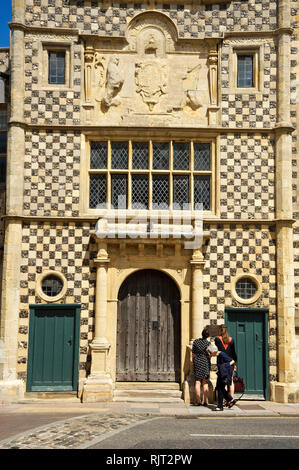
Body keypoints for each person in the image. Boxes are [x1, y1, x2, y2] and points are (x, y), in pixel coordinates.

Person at [207, 343, 237, 411]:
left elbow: (232, 361)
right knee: (220, 389)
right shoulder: (218, 355)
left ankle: (221, 406)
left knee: (220, 389)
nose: (210, 354)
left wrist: (224, 366)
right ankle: (230, 400)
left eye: (210, 353)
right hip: (221, 374)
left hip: (224, 374)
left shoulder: (222, 355)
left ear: (213, 352)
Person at [215, 324, 237, 400]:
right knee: (230, 381)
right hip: (230, 362)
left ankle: (225, 399)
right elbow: (234, 353)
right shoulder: (231, 340)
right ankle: (231, 399)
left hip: (221, 363)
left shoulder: (217, 339)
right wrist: (234, 364)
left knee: (223, 381)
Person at [192, 327, 211, 406]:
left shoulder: (195, 342)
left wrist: (194, 361)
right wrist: (209, 356)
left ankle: (198, 401)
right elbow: (211, 353)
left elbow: (193, 354)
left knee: (197, 381)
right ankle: (205, 401)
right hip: (205, 362)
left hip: (197, 361)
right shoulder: (208, 343)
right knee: (205, 382)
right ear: (207, 336)